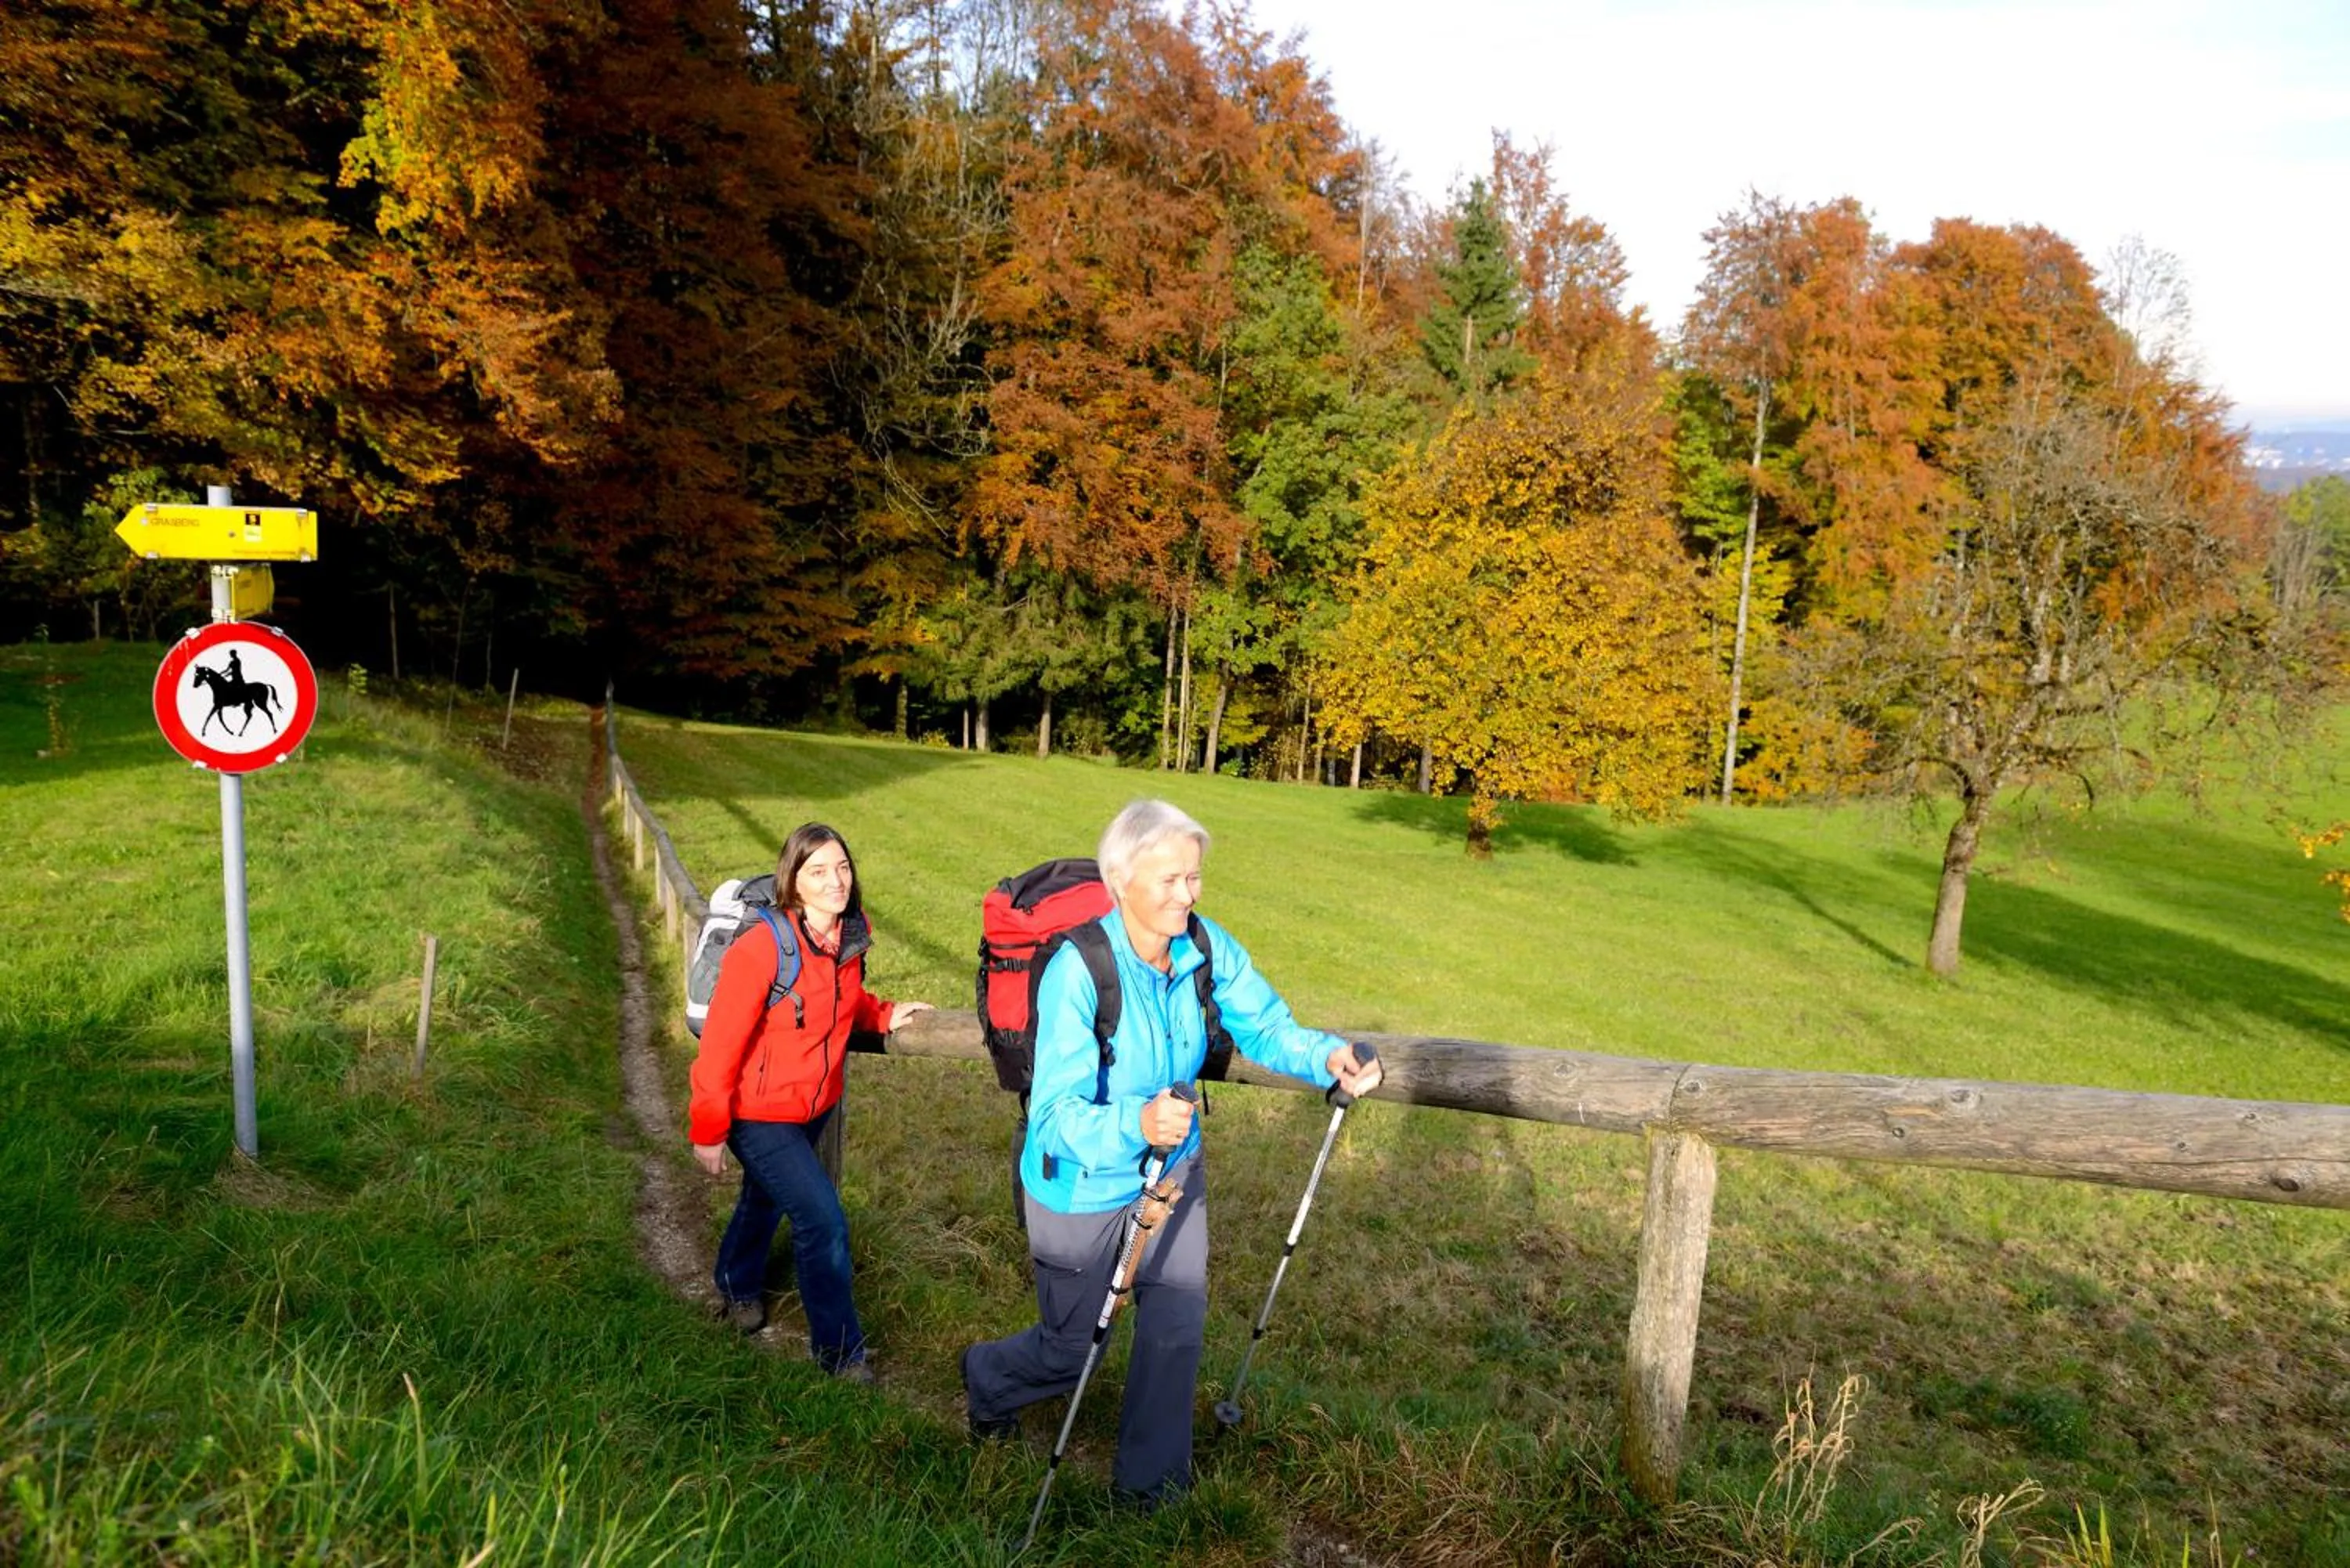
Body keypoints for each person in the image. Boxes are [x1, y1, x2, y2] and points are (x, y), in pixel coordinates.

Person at [960, 799, 1381, 1505]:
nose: (1189, 894)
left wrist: (1327, 1055)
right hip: (1083, 1184)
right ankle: (988, 1380)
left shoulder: (1204, 947)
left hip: (1173, 1169)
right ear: (1120, 880)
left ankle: (1150, 1495)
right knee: (1071, 1350)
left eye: (1195, 877)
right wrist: (1137, 1122)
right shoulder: (1077, 969)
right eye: (1171, 880)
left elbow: (1267, 1026)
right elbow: (1055, 1117)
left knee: (1176, 1325)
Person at [688, 823, 932, 1378]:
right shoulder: (762, 948)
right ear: (792, 882)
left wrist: (884, 1015)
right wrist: (708, 1129)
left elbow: (841, 1002)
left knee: (764, 1198)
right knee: (822, 1220)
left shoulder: (847, 936)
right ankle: (838, 1352)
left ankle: (736, 1285)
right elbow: (721, 1046)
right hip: (758, 1112)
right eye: (818, 870)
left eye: (842, 867)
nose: (835, 881)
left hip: (814, 1104)